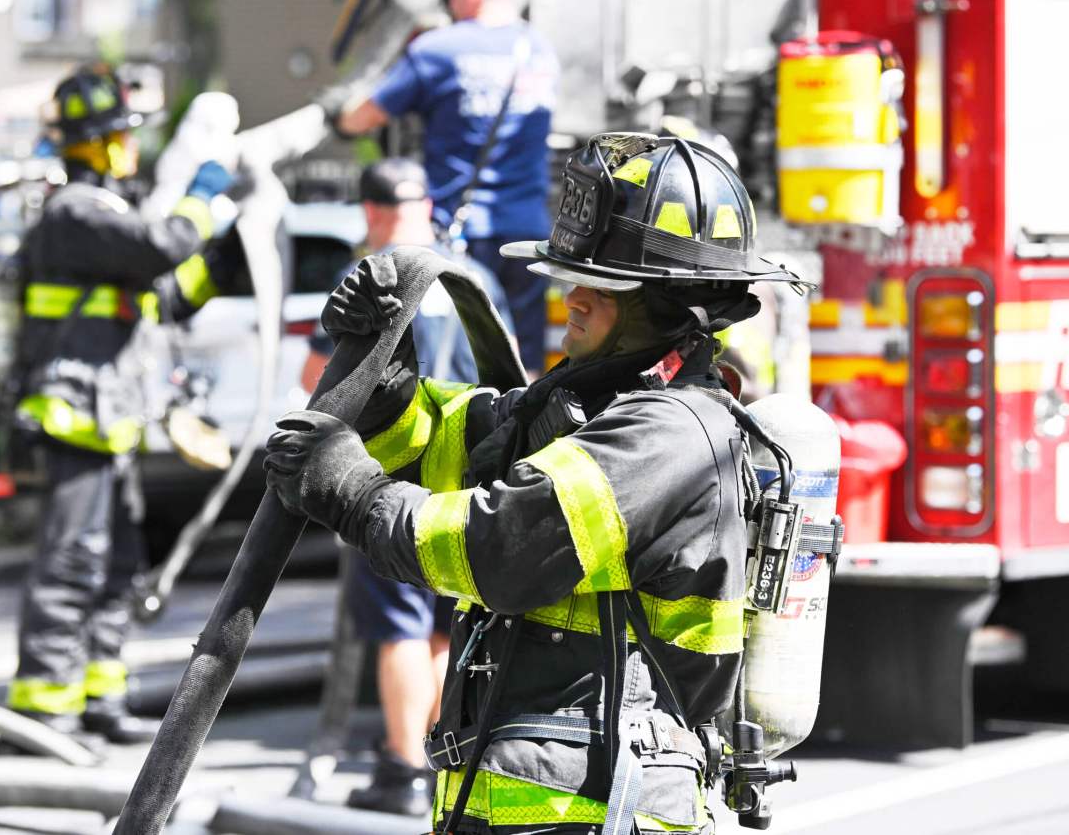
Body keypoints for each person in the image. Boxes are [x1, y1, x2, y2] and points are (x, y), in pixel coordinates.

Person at [264, 133, 805, 833]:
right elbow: (449, 442)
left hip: (598, 810)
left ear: (662, 307)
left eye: (601, 287)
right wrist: (383, 378)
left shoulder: (665, 437)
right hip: (549, 807)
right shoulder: (585, 411)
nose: (573, 298)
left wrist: (355, 495)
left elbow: (501, 548)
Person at [7, 65, 238, 744]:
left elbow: (163, 295)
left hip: (111, 423)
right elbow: (160, 246)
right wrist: (200, 197)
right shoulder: (74, 212)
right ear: (96, 145)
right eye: (120, 135)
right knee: (71, 565)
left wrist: (218, 264)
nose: (130, 147)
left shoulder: (109, 215)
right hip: (73, 418)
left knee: (116, 567)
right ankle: (43, 710)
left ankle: (100, 700)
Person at [300, 158, 510, 816]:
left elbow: (319, 375)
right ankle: (437, 753)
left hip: (388, 476)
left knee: (397, 627)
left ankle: (403, 767)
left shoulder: (373, 279)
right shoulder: (469, 274)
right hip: (467, 476)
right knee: (446, 623)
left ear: (369, 212)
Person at [323, 0, 559, 375]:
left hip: (464, 237)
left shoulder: (438, 50)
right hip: (529, 237)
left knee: (450, 365)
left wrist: (335, 113)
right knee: (522, 368)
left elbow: (363, 116)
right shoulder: (540, 51)